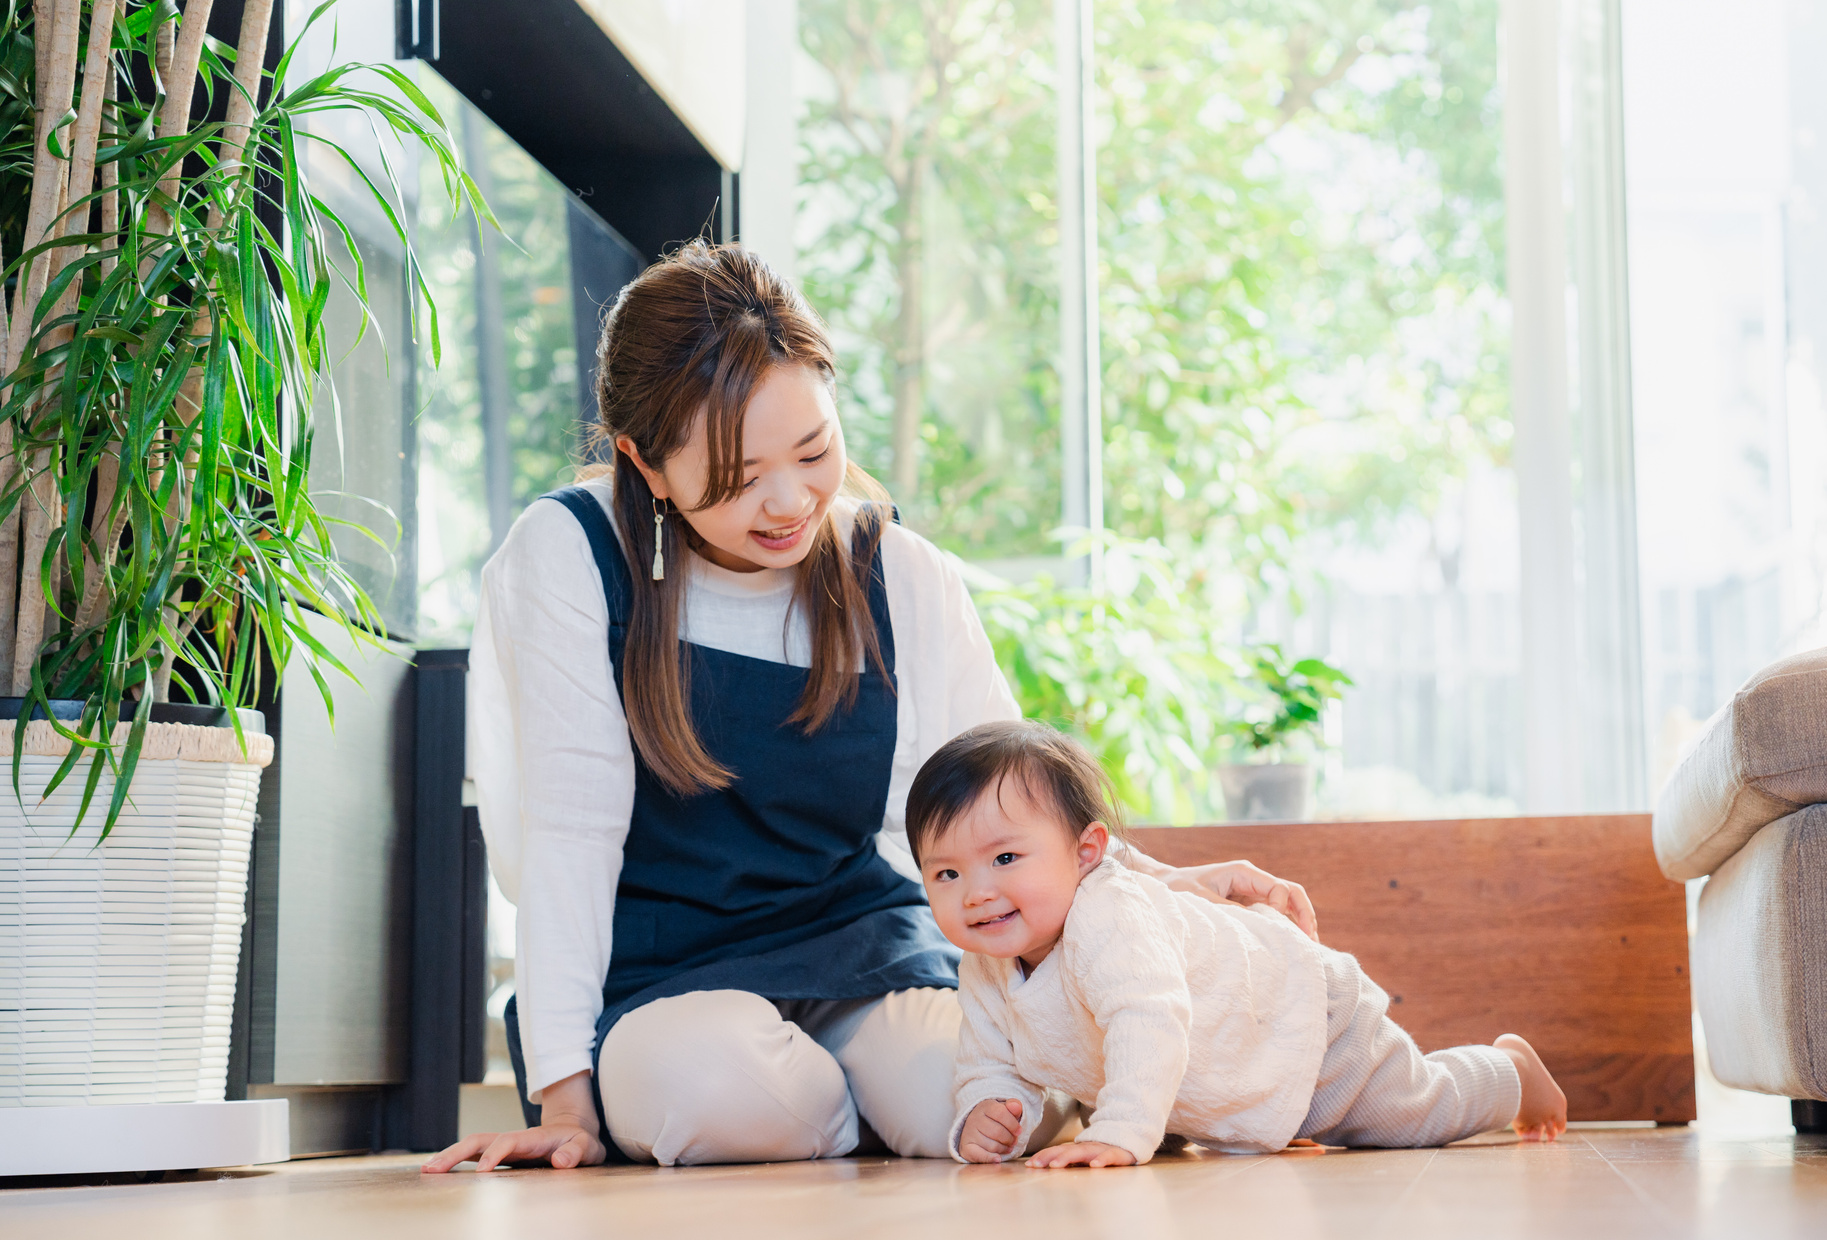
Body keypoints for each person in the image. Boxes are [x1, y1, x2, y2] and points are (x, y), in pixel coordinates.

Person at [424, 243, 1321, 1173]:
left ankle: (875, 1103)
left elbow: (1009, 795)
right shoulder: (570, 554)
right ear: (644, 465)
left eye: (814, 452)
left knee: (1005, 1099)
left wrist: (1164, 885)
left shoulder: (895, 571)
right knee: (719, 1091)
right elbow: (567, 835)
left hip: (864, 953)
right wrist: (567, 1105)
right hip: (661, 988)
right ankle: (861, 1113)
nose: (788, 501)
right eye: (737, 479)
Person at [905, 721, 1569, 1167]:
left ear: (1086, 853)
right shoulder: (985, 965)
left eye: (1005, 858)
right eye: (947, 873)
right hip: (1236, 1058)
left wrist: (1118, 1135)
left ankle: (1511, 1074)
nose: (976, 892)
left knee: (1411, 1116)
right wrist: (987, 1114)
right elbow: (988, 1060)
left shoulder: (1109, 916)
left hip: (1300, 1022)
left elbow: (1148, 1021)